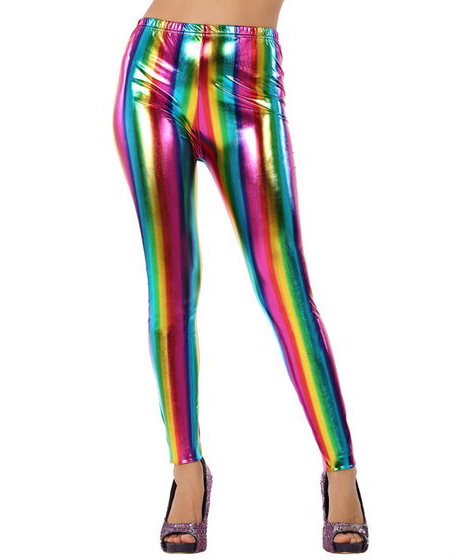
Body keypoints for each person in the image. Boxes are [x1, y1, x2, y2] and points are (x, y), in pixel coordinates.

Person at [112, 0, 368, 553]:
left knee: (286, 289)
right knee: (170, 291)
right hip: (154, 67)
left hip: (247, 75)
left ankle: (341, 471)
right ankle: (187, 472)